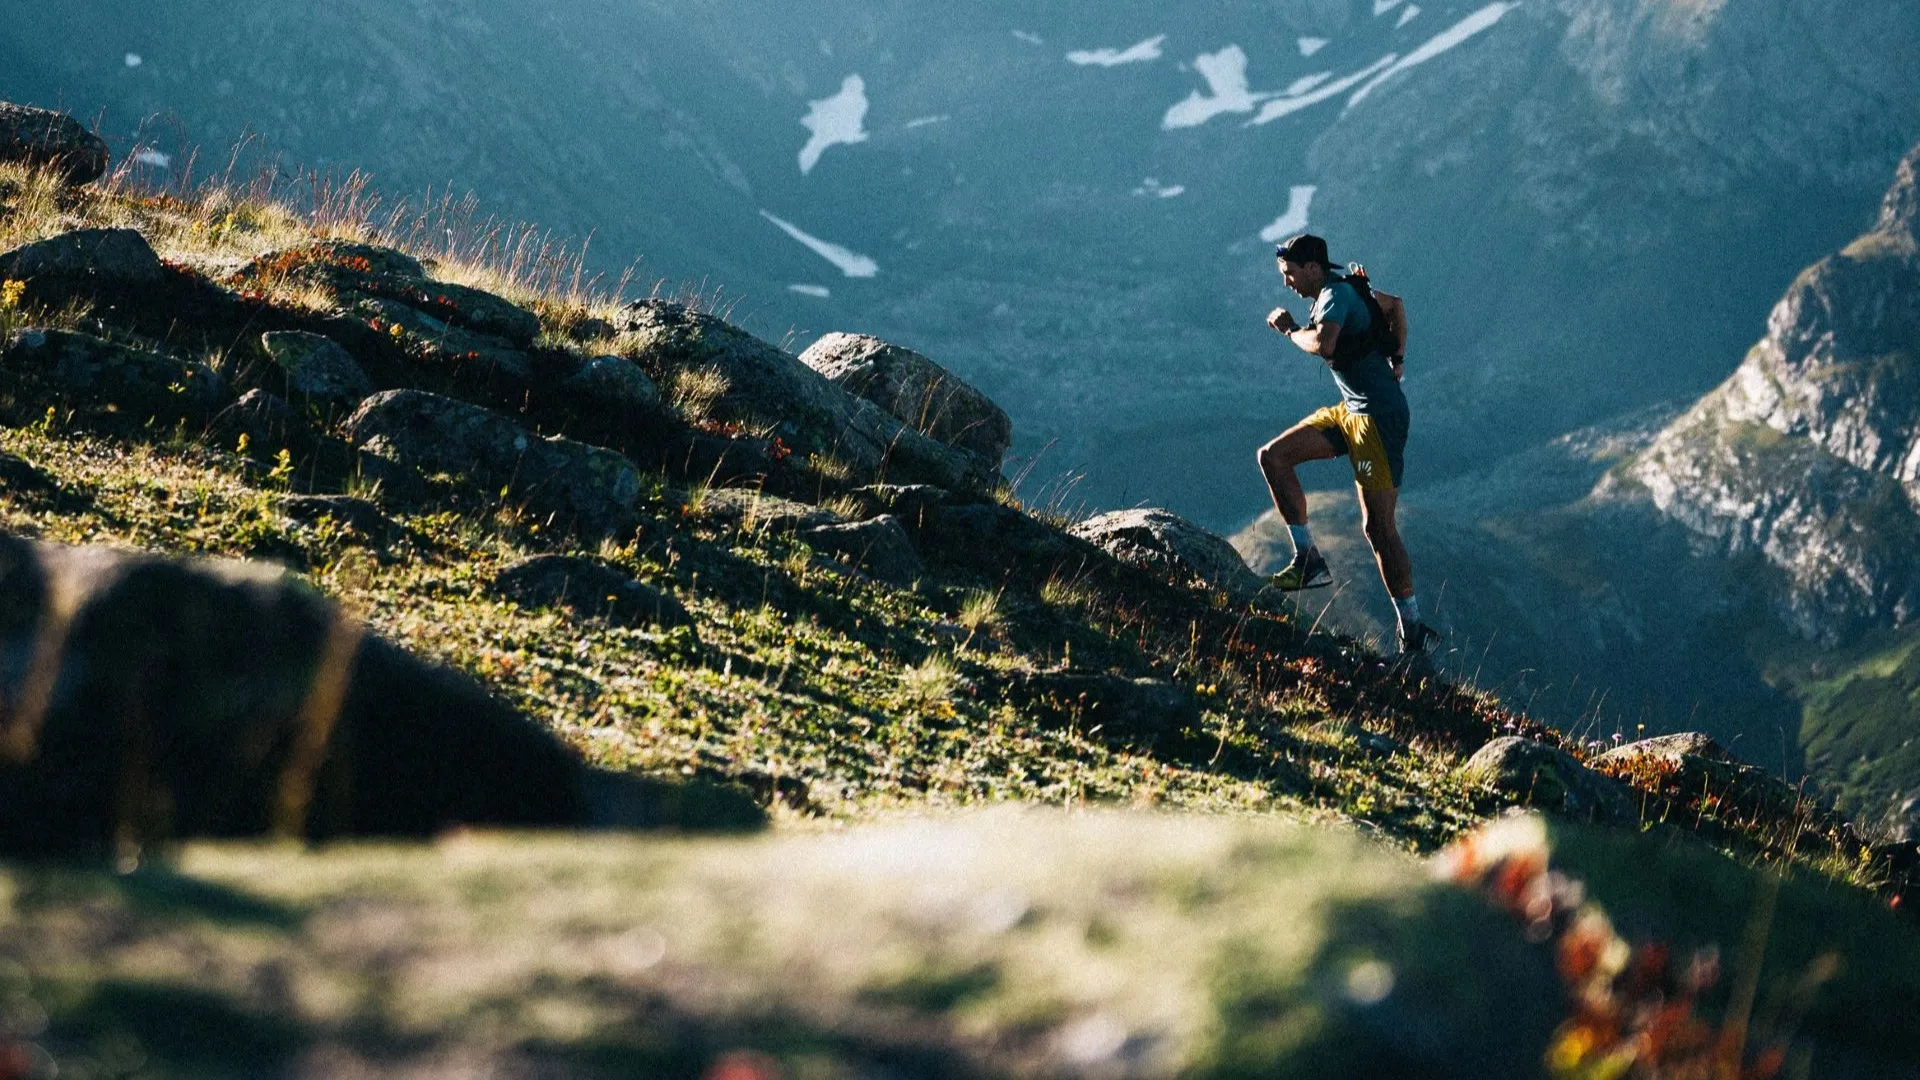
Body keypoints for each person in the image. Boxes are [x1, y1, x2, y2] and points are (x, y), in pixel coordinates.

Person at [1256, 233, 1438, 658]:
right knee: (1274, 457)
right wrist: (1399, 359)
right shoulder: (1348, 289)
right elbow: (1394, 306)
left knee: (1378, 529)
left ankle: (1413, 631)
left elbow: (1324, 344)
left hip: (1377, 420)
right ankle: (1308, 562)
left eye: (1290, 274)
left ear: (1313, 268)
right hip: (1352, 411)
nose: (1288, 284)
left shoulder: (1336, 295)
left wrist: (1288, 330)